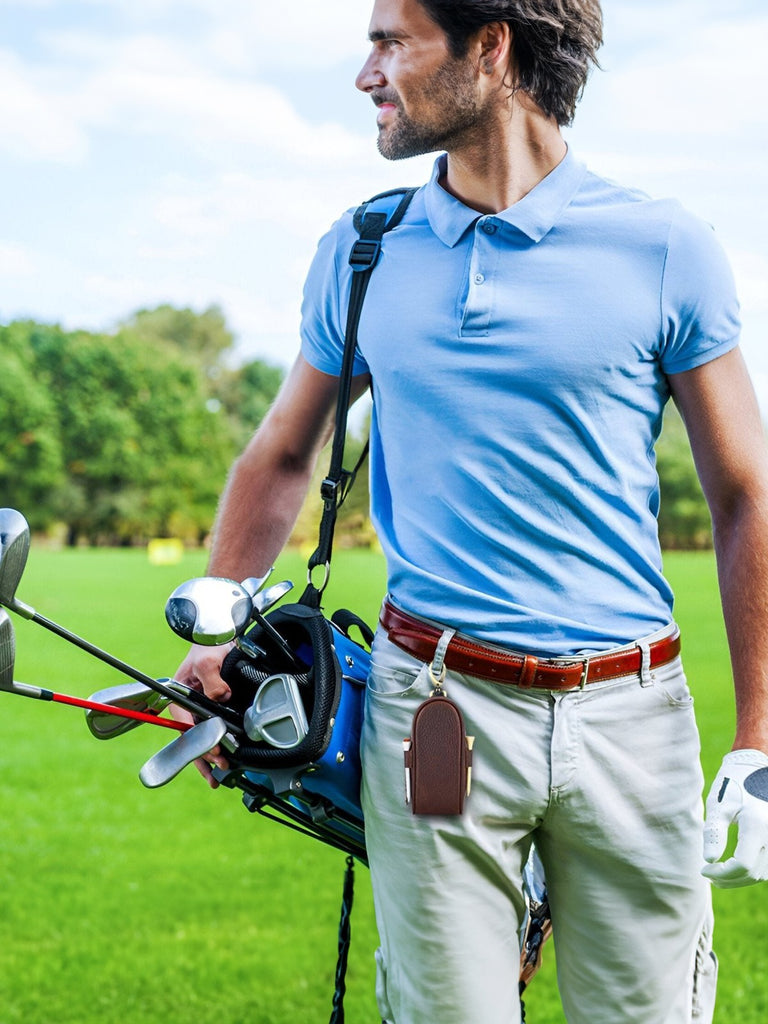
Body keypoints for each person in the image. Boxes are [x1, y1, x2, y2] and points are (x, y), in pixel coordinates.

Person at [174, 1, 768, 1021]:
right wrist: (220, 623)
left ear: (490, 48)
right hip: (435, 710)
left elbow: (746, 493)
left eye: (390, 42)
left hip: (635, 719)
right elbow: (280, 453)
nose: (367, 74)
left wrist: (760, 743)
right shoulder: (364, 249)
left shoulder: (664, 246)